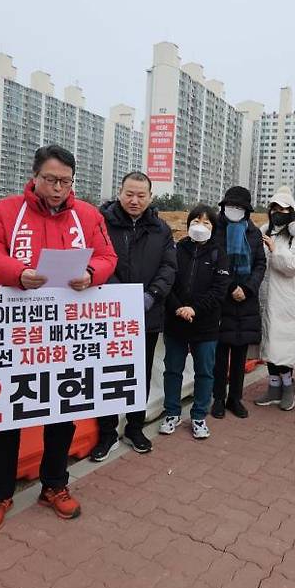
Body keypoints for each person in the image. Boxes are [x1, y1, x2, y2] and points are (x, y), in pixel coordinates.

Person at [0, 144, 118, 533]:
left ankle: (55, 485)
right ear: (35, 177)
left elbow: (107, 256)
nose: (58, 189)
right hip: (17, 332)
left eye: (65, 182)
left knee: (62, 410)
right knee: (7, 414)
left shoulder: (87, 215)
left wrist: (90, 273)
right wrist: (17, 273)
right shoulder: (5, 211)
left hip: (66, 332)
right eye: (51, 180)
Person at [93, 171, 177, 459]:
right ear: (119, 193)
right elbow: (96, 260)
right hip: (108, 314)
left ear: (150, 197)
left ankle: (134, 427)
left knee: (138, 374)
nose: (134, 200)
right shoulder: (101, 224)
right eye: (129, 193)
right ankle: (106, 434)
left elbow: (169, 267)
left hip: (147, 315)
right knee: (106, 374)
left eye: (141, 195)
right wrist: (121, 296)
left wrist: (150, 296)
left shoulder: (161, 230)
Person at [160, 205, 230, 439]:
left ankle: (199, 415)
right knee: (173, 370)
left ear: (214, 227)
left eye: (207, 222)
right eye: (196, 221)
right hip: (175, 321)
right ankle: (172, 413)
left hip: (205, 325)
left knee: (204, 372)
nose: (201, 226)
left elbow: (219, 291)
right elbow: (166, 280)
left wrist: (194, 309)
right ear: (188, 224)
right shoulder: (177, 249)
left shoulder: (219, 254)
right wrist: (178, 307)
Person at [254, 186, 295, 412]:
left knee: (284, 346)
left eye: (285, 208)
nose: (279, 212)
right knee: (269, 344)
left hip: (287, 298)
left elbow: (294, 265)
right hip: (266, 295)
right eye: (275, 208)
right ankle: (273, 388)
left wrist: (274, 249)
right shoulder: (264, 230)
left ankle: (289, 389)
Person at [211, 186, 266, 419]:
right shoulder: (215, 230)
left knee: (240, 354)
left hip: (246, 301)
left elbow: (260, 264)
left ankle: (236, 398)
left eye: (240, 207)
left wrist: (247, 288)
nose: (235, 211)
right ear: (223, 207)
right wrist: (231, 286)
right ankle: (218, 399)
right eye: (231, 206)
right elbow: (214, 261)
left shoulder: (253, 233)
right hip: (222, 299)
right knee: (220, 353)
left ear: (247, 210)